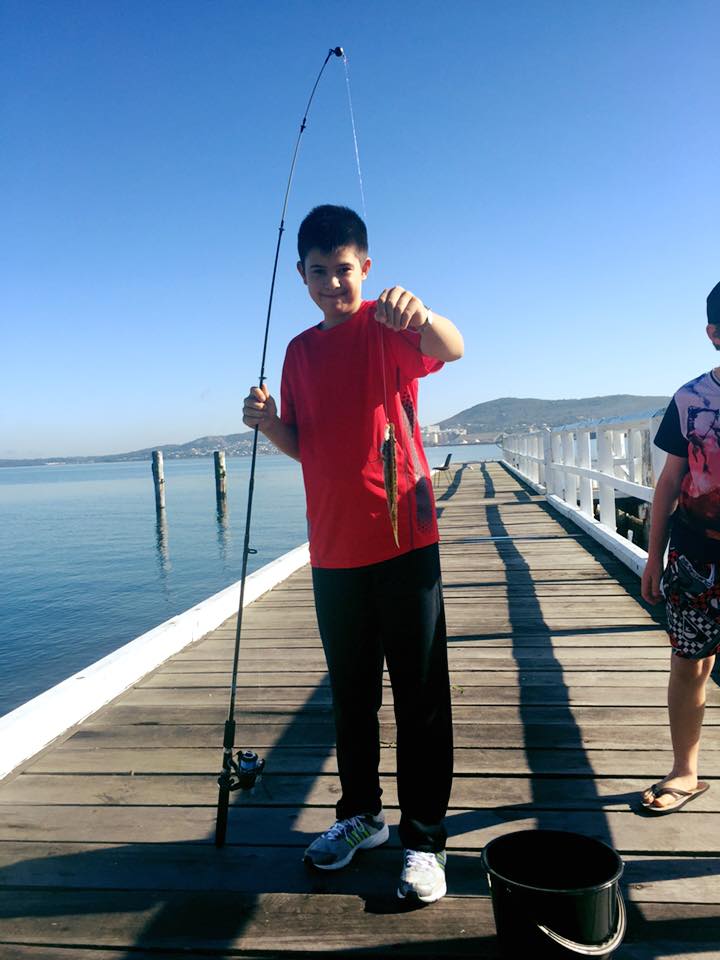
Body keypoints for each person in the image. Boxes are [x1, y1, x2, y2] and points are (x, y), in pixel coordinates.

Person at [243, 204, 463, 901]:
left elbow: (453, 348)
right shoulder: (299, 353)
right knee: (352, 699)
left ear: (365, 267)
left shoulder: (390, 325)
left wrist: (421, 312)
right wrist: (269, 423)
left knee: (422, 698)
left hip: (406, 543)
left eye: (345, 270)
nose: (334, 284)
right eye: (319, 272)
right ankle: (361, 816)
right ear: (302, 277)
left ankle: (424, 839)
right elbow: (306, 443)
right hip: (334, 552)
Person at [640, 280, 720, 814]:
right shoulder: (690, 398)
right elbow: (668, 482)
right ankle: (684, 770)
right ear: (714, 335)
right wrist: (653, 554)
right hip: (696, 557)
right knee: (688, 663)